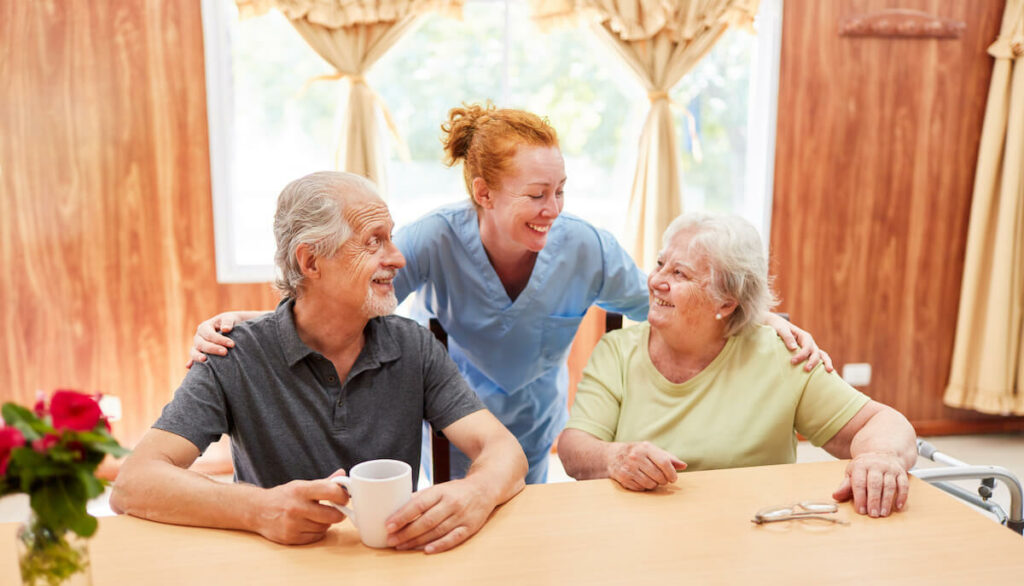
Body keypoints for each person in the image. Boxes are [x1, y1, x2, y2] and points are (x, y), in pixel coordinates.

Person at [188, 103, 831, 484]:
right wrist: (246, 323)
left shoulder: (586, 246)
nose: (553, 209)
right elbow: (344, 296)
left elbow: (665, 301)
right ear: (484, 193)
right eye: (535, 194)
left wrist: (759, 317)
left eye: (561, 191)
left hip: (537, 425)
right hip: (448, 418)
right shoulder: (435, 239)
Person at [111, 172, 527, 553]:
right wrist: (258, 509)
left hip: (389, 564)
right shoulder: (232, 354)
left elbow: (504, 449)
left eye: (391, 238)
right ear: (310, 261)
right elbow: (133, 484)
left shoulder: (413, 347)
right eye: (373, 241)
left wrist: (476, 492)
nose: (398, 258)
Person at [557, 212, 917, 518]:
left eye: (679, 274)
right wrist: (614, 457)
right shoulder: (618, 352)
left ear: (726, 303)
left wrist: (880, 457)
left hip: (752, 534)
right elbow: (575, 448)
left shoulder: (779, 356)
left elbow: (881, 422)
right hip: (638, 533)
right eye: (660, 264)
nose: (655, 281)